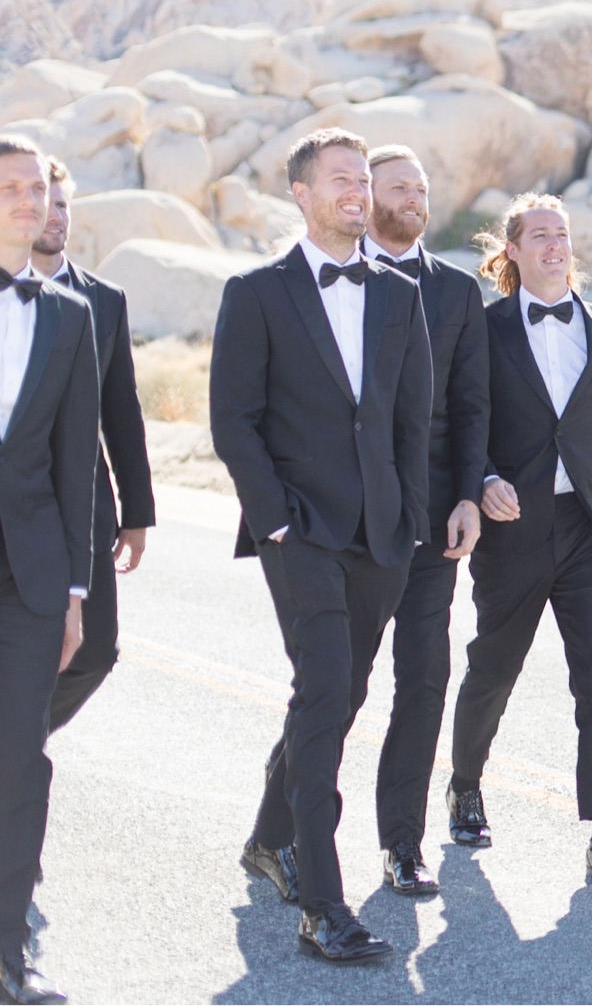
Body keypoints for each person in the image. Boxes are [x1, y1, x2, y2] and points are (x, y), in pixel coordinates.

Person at [210, 128, 433, 963]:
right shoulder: (256, 291)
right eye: (339, 177)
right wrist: (271, 517)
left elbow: (414, 416)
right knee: (327, 686)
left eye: (361, 177)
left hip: (381, 531)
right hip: (296, 527)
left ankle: (269, 837)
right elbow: (234, 417)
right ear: (300, 193)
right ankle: (322, 901)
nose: (355, 188)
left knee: (337, 699)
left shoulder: (400, 292)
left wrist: (411, 515)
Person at [446, 194, 592, 884]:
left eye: (561, 233)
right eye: (538, 235)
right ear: (512, 250)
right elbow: (462, 419)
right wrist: (481, 478)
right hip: (514, 530)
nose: (554, 244)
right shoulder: (483, 328)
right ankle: (466, 784)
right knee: (493, 671)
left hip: (591, 530)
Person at [363, 146, 490, 897]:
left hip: (435, 520)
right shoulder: (339, 280)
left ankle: (401, 843)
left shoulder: (456, 291)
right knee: (336, 686)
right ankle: (277, 830)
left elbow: (474, 403)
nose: (414, 197)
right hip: (351, 521)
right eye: (398, 186)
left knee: (424, 678)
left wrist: (469, 494)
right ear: (367, 195)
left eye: (422, 187)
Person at [0, 135, 99, 1006]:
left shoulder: (71, 316)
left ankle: (8, 954)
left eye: (39, 187)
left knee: (19, 760)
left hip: (30, 579)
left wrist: (75, 591)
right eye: (13, 187)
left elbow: (75, 464)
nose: (33, 199)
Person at [33, 158, 155, 735]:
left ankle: (19, 743)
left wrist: (136, 515)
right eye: (41, 202)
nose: (53, 215)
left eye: (61, 203)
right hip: (16, 502)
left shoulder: (105, 300)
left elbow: (122, 411)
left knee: (94, 650)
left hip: (86, 510)